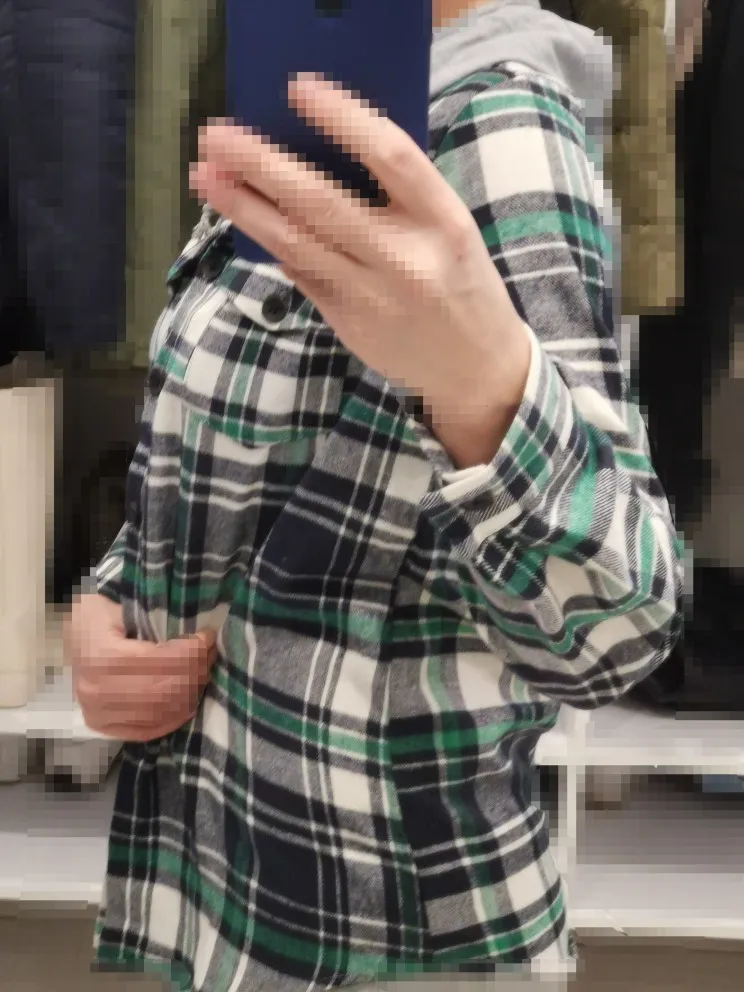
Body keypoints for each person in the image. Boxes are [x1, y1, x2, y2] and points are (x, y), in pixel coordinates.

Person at [64, 1, 683, 989]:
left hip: (394, 925)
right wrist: (112, 598)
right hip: (244, 865)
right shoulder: (306, 100)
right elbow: (244, 442)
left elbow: (619, 625)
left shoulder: (500, 141)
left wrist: (483, 386)